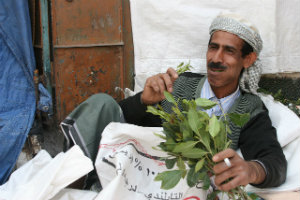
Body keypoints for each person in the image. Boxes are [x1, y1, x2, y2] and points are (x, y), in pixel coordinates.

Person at [61, 13, 287, 191]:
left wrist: (252, 170)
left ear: (248, 59)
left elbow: (274, 163)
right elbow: (114, 123)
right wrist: (142, 101)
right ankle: (73, 187)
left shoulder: (249, 108)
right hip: (138, 169)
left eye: (229, 51)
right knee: (101, 103)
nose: (216, 58)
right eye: (213, 47)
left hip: (180, 186)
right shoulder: (180, 84)